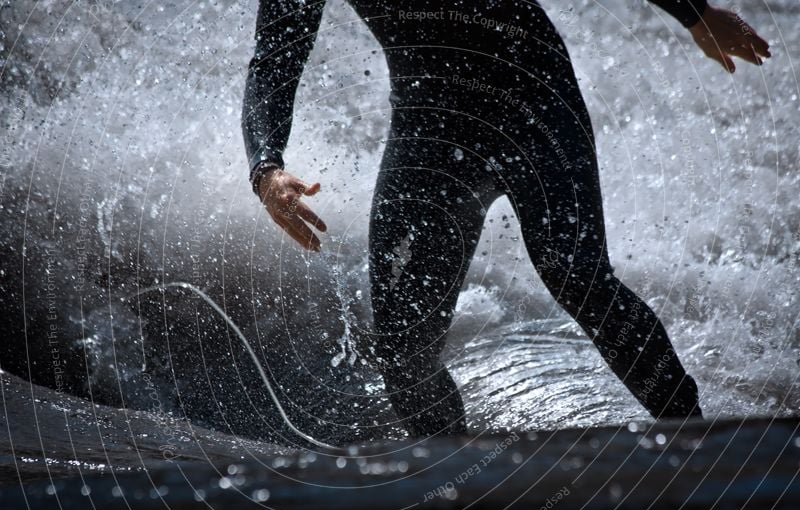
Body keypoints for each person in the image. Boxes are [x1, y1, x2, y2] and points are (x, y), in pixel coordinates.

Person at [242, 1, 770, 437]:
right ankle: (457, 488)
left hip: (532, 97)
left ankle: (698, 444)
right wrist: (266, 169)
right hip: (432, 128)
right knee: (403, 349)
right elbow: (274, 57)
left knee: (577, 277)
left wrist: (695, 14)